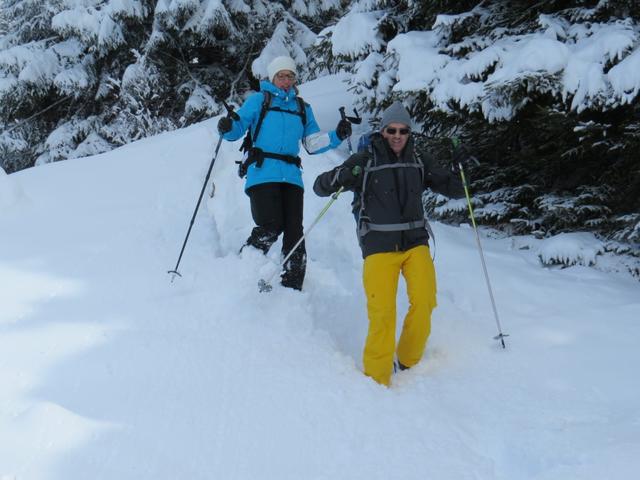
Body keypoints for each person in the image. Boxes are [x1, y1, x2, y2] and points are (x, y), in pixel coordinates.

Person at [313, 101, 464, 386]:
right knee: (382, 312)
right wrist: (342, 176)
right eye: (391, 130)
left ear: (409, 133)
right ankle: (376, 378)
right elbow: (320, 186)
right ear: (382, 131)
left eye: (403, 131)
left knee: (425, 301)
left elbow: (455, 189)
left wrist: (461, 166)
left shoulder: (419, 158)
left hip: (415, 241)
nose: (397, 136)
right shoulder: (366, 159)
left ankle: (408, 361)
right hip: (378, 243)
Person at [217, 55, 351, 290]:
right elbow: (237, 128)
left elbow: (312, 143)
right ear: (272, 77)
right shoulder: (259, 100)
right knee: (271, 224)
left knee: (295, 232)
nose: (286, 80)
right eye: (282, 75)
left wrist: (336, 135)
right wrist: (227, 128)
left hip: (291, 176)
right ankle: (244, 266)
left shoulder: (302, 108)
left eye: (290, 76)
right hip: (262, 172)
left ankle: (292, 285)